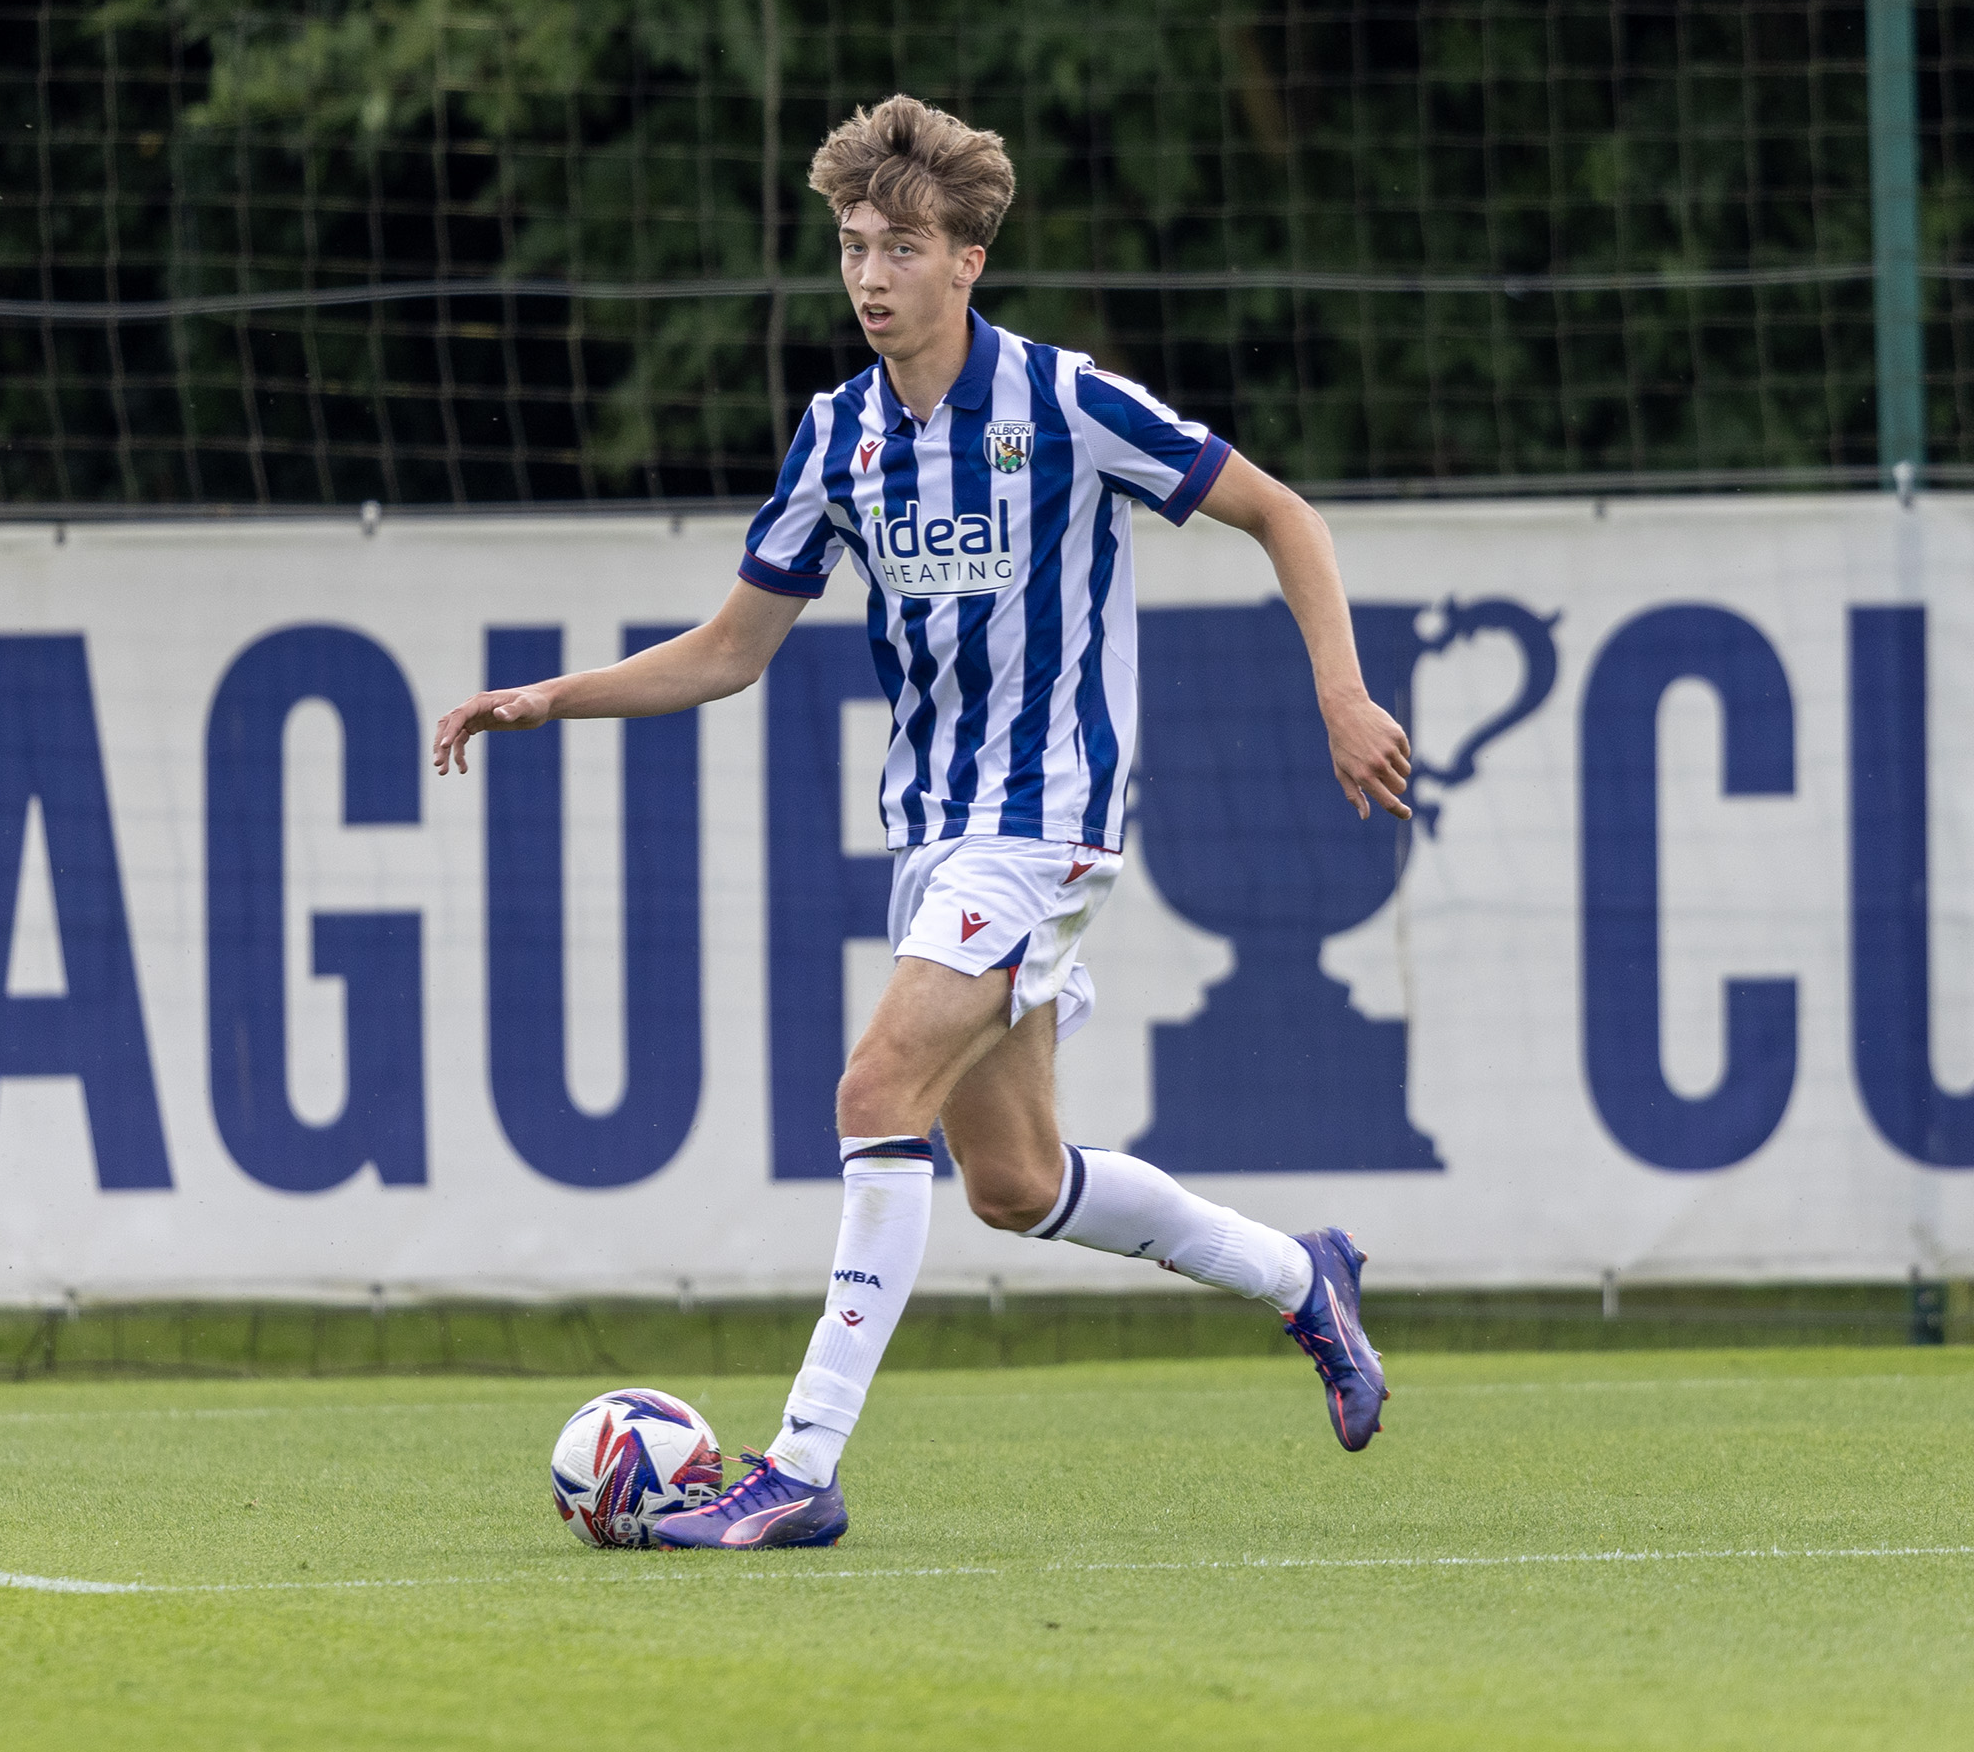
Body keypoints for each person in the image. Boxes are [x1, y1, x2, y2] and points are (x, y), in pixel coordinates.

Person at [432, 95, 1411, 1551]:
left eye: (901, 245)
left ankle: (802, 1461)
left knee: (873, 1087)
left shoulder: (1067, 403)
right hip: (933, 837)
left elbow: (1285, 515)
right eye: (851, 245)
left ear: (969, 260)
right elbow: (729, 649)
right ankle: (1299, 1275)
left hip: (1049, 819)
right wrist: (551, 699)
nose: (871, 275)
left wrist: (1340, 689)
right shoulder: (836, 438)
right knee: (1015, 1183)